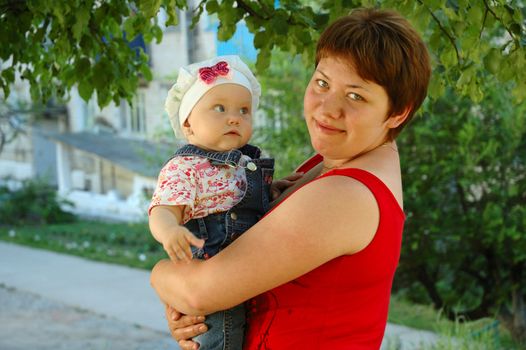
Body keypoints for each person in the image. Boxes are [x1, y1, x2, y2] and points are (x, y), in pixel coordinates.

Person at [151, 7, 431, 349]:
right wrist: (195, 314)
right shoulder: (335, 159)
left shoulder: (346, 194)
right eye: (323, 83)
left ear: (398, 112)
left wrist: (163, 277)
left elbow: (199, 292)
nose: (328, 108)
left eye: (356, 95)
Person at [148, 55, 276, 350]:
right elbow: (163, 208)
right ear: (188, 124)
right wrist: (169, 231)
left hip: (248, 274)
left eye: (244, 110)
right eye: (219, 108)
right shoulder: (185, 167)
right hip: (214, 278)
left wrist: (274, 190)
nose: (234, 117)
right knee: (221, 339)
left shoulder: (246, 162)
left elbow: (251, 202)